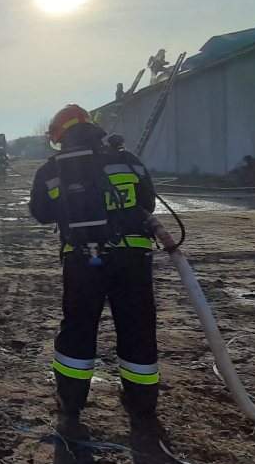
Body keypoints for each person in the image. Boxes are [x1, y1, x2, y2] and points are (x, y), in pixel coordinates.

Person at [29, 104, 160, 422]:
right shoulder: (126, 158)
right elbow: (149, 202)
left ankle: (71, 400)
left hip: (82, 258)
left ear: (60, 135)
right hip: (133, 256)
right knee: (137, 325)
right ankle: (141, 402)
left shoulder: (51, 169)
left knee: (78, 326)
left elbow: (41, 213)